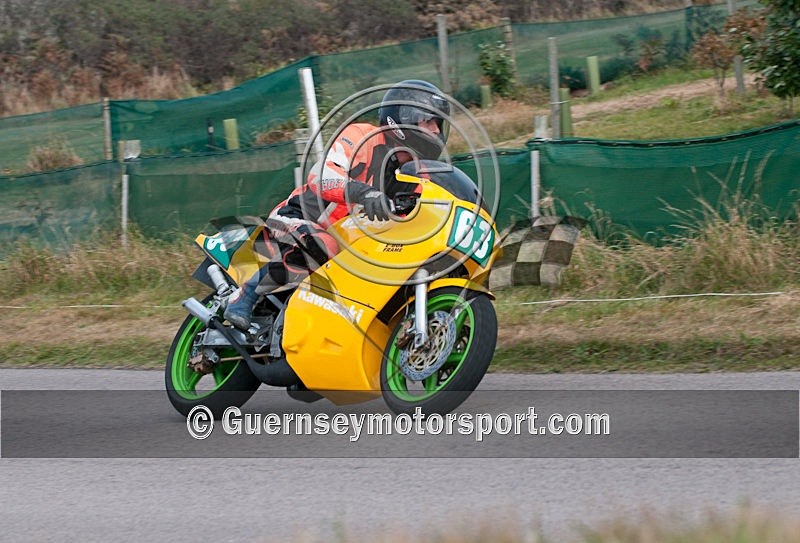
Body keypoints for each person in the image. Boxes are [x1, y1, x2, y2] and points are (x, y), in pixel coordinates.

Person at [223, 79, 451, 330]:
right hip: (299, 217)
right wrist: (364, 193)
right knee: (324, 243)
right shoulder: (362, 137)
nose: (436, 131)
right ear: (401, 119)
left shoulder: (418, 177)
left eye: (438, 124)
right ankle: (244, 295)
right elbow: (320, 176)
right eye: (428, 121)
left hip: (351, 246)